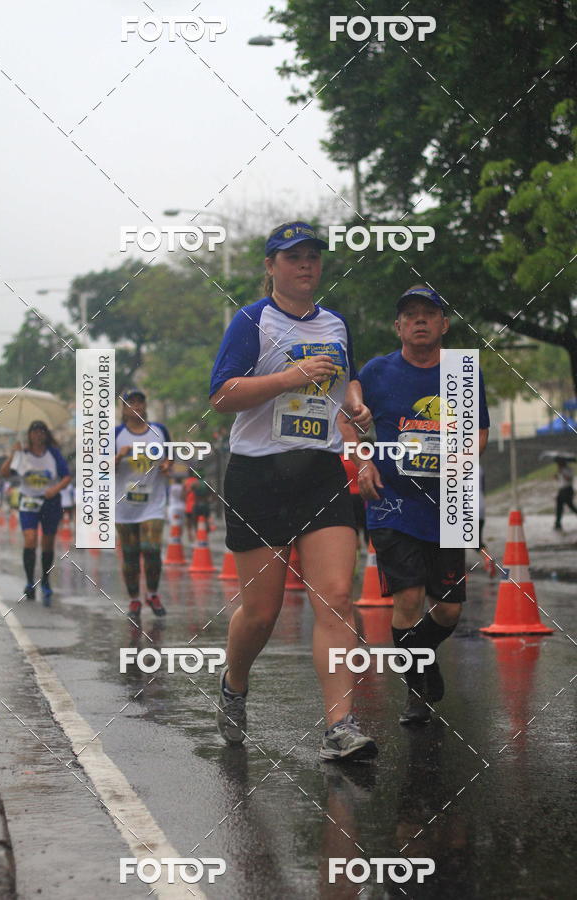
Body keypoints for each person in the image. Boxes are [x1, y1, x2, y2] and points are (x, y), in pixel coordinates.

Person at [209, 220, 377, 761]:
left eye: (312, 256)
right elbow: (223, 395)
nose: (305, 265)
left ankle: (339, 727)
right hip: (258, 475)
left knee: (339, 598)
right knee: (262, 613)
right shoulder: (251, 321)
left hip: (320, 473)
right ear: (271, 266)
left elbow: (343, 377)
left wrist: (354, 403)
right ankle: (234, 684)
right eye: (292, 257)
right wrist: (290, 376)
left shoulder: (336, 323)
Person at [342, 286, 490, 725]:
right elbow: (347, 421)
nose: (420, 320)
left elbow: (479, 432)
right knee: (406, 597)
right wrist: (363, 462)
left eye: (429, 313)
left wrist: (461, 459)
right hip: (393, 502)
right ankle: (416, 695)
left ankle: (420, 660)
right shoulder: (376, 372)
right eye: (411, 315)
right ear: (399, 326)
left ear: (444, 324)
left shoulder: (463, 372)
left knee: (448, 610)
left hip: (451, 499)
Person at [114, 390, 172, 618]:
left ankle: (153, 594)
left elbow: (169, 457)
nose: (136, 406)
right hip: (124, 506)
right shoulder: (116, 434)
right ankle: (135, 600)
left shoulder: (159, 431)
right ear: (124, 409)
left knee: (152, 549)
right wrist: (118, 457)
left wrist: (167, 465)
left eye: (140, 401)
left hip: (153, 503)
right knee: (130, 554)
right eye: (131, 402)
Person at [0, 421, 71, 603]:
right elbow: (4, 474)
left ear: (46, 434)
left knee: (47, 544)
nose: (38, 435)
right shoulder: (22, 454)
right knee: (30, 539)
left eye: (42, 431)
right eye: (35, 431)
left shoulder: (53, 453)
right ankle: (30, 582)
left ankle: (45, 581)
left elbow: (66, 477)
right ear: (29, 434)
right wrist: (12, 455)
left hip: (50, 502)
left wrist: (55, 490)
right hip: (28, 502)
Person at [553, 458, 577, 531]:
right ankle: (558, 523)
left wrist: (562, 473)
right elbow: (559, 480)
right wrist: (556, 476)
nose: (558, 464)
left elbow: (569, 479)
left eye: (559, 463)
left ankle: (558, 523)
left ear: (563, 462)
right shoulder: (560, 470)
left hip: (568, 489)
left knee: (570, 505)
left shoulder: (568, 469)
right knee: (559, 506)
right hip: (561, 490)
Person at [183, 469, 198, 543]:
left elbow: (183, 495)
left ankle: (189, 536)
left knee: (188, 522)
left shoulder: (186, 482)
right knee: (195, 521)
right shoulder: (196, 481)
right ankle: (197, 536)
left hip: (188, 505)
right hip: (195, 505)